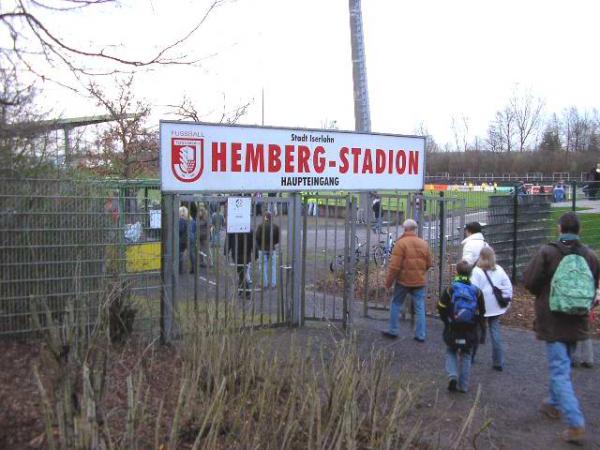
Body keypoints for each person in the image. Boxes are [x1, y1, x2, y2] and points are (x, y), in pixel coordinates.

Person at [523, 212, 600, 445]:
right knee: (563, 364)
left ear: (559, 229)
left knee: (559, 370)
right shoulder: (589, 255)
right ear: (579, 230)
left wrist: (544, 295)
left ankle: (575, 423)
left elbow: (530, 281)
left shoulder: (548, 252)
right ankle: (554, 405)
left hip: (553, 319)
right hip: (577, 320)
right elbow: (593, 285)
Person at [438, 260, 486, 393]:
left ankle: (452, 375)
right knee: (466, 354)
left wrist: (447, 321)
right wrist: (478, 327)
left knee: (451, 350)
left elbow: (441, 307)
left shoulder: (450, 289)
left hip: (453, 326)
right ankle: (463, 386)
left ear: (456, 272)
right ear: (471, 274)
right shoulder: (477, 292)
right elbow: (482, 312)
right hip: (469, 329)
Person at [382, 219, 433, 342]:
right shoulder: (424, 243)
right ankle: (420, 335)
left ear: (405, 229)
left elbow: (394, 267)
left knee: (396, 303)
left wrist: (388, 283)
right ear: (415, 229)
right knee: (420, 307)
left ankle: (393, 330)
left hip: (403, 281)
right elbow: (429, 263)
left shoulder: (401, 244)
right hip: (419, 281)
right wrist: (420, 273)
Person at [470, 247, 512, 371]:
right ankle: (498, 361)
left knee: (476, 331)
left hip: (481, 306)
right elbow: (508, 287)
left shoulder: (476, 271)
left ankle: (471, 356)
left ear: (481, 256)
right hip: (496, 306)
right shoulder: (499, 269)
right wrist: (506, 302)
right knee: (495, 331)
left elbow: (473, 290)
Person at [226, 228, 254, 298]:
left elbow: (253, 242)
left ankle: (247, 293)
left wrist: (226, 252)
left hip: (241, 255)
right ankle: (241, 290)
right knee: (241, 272)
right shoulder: (248, 229)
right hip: (242, 255)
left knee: (241, 273)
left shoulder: (233, 229)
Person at [255, 212, 280, 289]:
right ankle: (273, 283)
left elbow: (257, 237)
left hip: (262, 248)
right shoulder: (275, 227)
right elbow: (277, 239)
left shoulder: (260, 226)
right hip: (272, 248)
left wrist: (260, 245)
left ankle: (264, 284)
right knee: (273, 267)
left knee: (263, 266)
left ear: (265, 217)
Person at [190, 206, 209, 273]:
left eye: (201, 211)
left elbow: (209, 225)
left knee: (205, 249)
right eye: (199, 211)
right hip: (198, 235)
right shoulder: (197, 218)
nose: (199, 213)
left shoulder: (206, 218)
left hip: (204, 235)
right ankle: (201, 262)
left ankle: (207, 262)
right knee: (199, 249)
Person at [178, 205, 189, 274]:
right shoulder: (186, 221)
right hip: (184, 241)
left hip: (180, 240)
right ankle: (180, 269)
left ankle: (179, 269)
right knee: (181, 255)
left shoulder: (181, 220)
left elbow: (180, 230)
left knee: (179, 256)